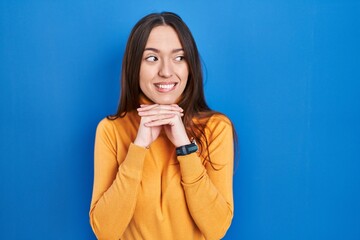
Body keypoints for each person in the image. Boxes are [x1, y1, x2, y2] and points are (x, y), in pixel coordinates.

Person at [89, 12, 236, 240]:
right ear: (134, 66)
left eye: (179, 58)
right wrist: (138, 148)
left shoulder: (216, 128)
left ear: (190, 66)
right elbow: (105, 232)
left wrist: (185, 148)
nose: (166, 71)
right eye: (152, 58)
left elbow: (216, 228)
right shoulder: (111, 130)